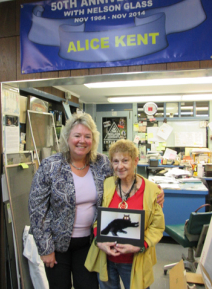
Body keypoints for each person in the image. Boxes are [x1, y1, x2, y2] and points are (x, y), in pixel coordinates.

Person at [29, 113, 164, 289]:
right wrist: (45, 248)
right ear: (67, 137)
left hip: (89, 243)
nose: (82, 141)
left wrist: (155, 191)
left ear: (93, 140)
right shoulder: (50, 166)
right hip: (57, 244)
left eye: (87, 136)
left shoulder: (101, 163)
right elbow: (37, 209)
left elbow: (124, 173)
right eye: (77, 135)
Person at [85, 139, 165, 289]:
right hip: (107, 259)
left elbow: (157, 227)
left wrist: (140, 245)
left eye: (125, 160)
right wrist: (99, 240)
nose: (119, 166)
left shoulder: (152, 190)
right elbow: (97, 219)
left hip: (134, 260)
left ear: (135, 161)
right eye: (115, 161)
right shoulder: (107, 184)